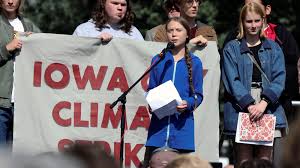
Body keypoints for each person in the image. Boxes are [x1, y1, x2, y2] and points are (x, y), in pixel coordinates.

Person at [221, 2, 287, 167]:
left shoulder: (274, 48)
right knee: (244, 162)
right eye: (249, 21)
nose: (253, 25)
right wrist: (250, 105)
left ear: (263, 21)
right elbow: (231, 80)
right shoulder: (231, 48)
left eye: (257, 21)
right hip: (241, 107)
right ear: (242, 22)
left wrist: (264, 103)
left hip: (268, 106)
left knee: (265, 162)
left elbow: (280, 78)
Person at [143, 17, 204, 167]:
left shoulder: (195, 63)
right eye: (170, 31)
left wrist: (188, 103)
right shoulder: (158, 60)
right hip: (158, 130)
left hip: (182, 131)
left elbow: (198, 95)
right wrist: (152, 103)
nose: (174, 34)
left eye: (178, 30)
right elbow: (151, 89)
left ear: (187, 34)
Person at [0, 0, 41, 146]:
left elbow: (49, 48)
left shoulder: (28, 24)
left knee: (18, 156)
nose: (11, 1)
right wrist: (6, 49)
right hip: (1, 103)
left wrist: (36, 41)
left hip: (23, 103)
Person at [73, 0, 143, 42]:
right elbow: (73, 55)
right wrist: (94, 42)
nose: (120, 8)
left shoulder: (134, 32)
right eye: (115, 3)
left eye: (123, 5)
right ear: (103, 4)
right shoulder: (84, 30)